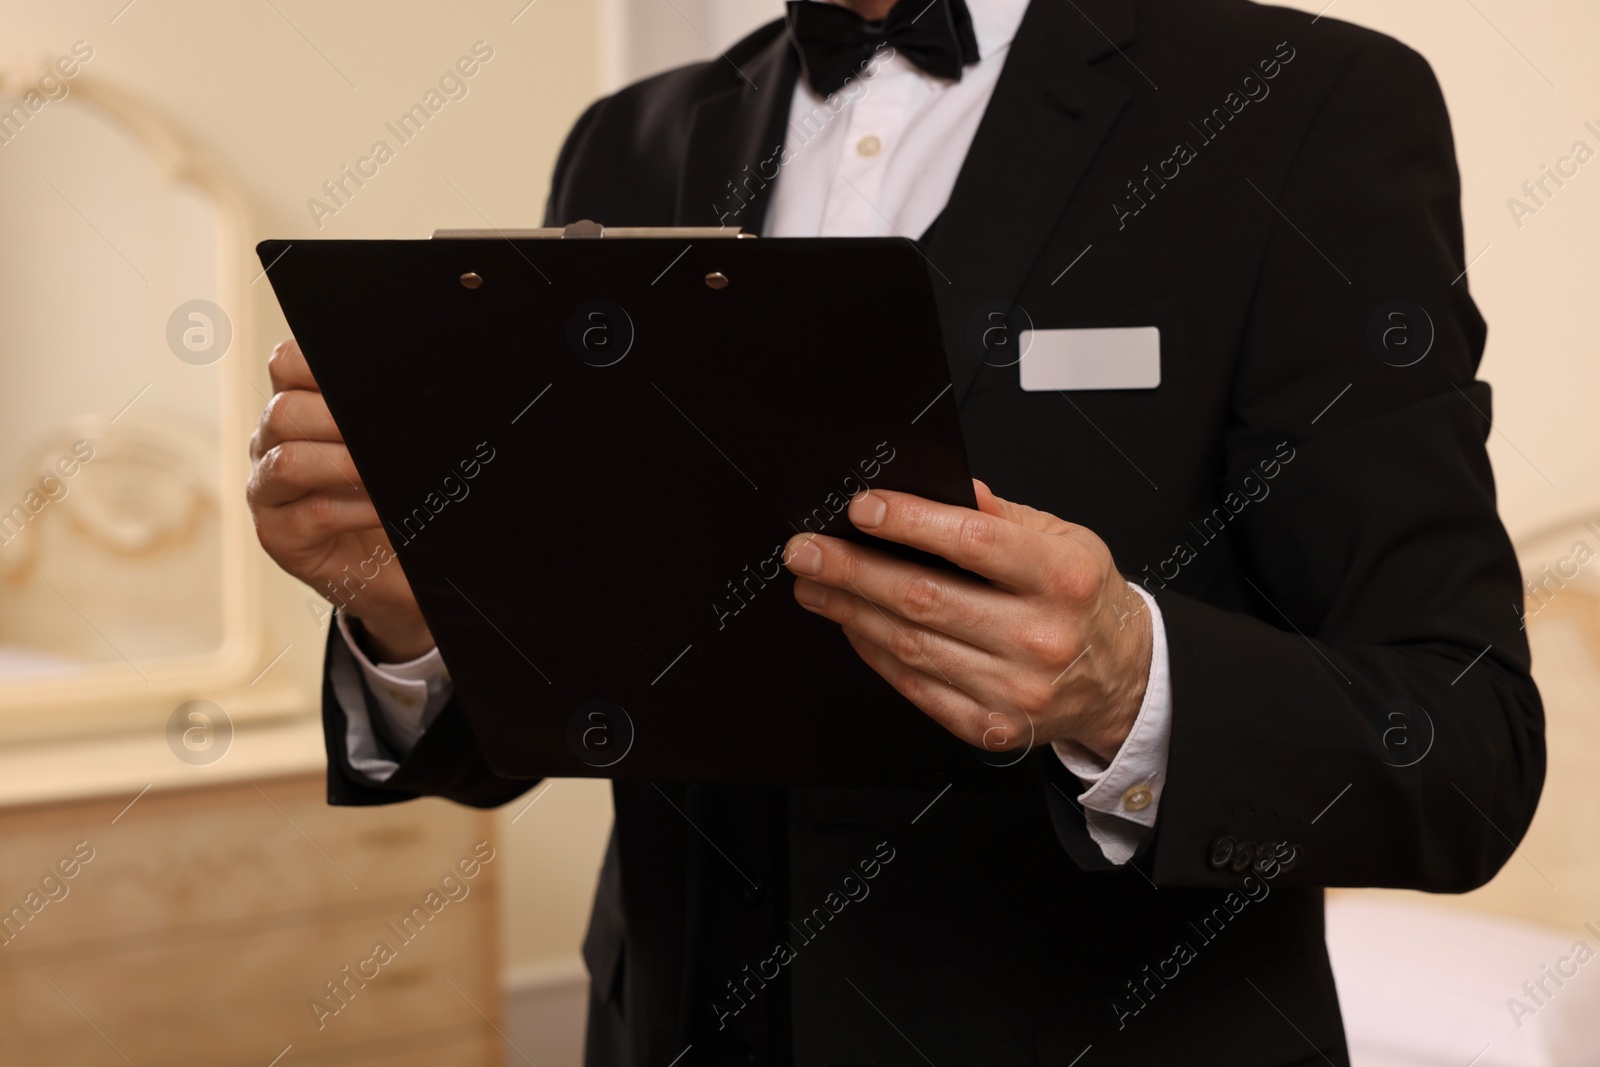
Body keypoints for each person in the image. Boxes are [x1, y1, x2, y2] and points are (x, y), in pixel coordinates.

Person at [247, 0, 1546, 1063]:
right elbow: (570, 683)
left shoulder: (1305, 106)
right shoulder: (627, 142)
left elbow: (1462, 747)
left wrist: (1124, 684)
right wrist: (412, 611)